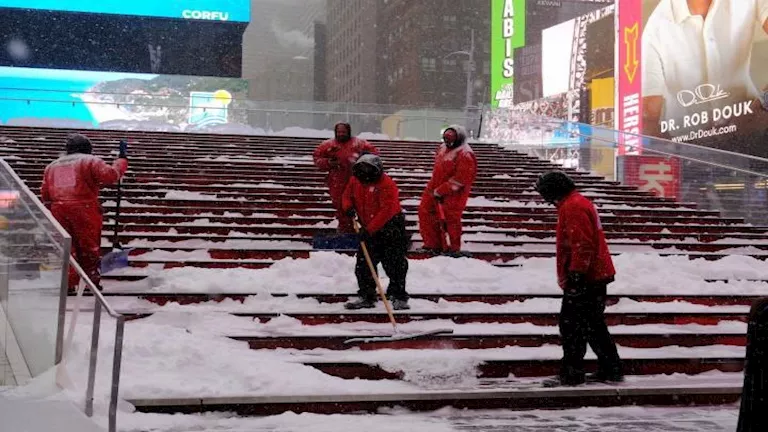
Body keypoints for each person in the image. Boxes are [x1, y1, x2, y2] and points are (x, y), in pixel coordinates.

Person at [535, 171, 623, 387]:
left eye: (545, 194)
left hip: (586, 276)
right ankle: (611, 369)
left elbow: (583, 244)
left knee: (572, 326)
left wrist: (576, 275)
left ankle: (572, 373)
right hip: (594, 274)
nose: (546, 200)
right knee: (593, 325)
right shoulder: (577, 202)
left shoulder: (573, 206)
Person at [41, 134, 128, 292]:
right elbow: (111, 176)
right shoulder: (90, 161)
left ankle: (69, 282)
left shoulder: (52, 166)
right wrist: (121, 161)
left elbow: (45, 194)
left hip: (58, 210)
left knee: (67, 248)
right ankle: (90, 282)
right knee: (89, 247)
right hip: (84, 209)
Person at [341, 154, 410, 311]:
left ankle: (398, 295)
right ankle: (367, 295)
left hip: (390, 227)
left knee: (394, 262)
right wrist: (348, 207)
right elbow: (346, 196)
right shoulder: (355, 180)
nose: (364, 175)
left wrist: (369, 230)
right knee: (364, 263)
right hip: (368, 225)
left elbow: (386, 211)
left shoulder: (387, 184)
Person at [418, 125, 477, 255]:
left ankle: (453, 247)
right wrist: (433, 189)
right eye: (446, 139)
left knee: (451, 219)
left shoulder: (465, 154)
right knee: (426, 213)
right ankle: (432, 244)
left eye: (450, 140)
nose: (448, 143)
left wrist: (442, 190)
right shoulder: (443, 148)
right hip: (435, 187)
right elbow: (437, 171)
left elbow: (461, 179)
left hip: (454, 194)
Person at [313, 123, 379, 233]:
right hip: (337, 181)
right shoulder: (327, 145)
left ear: (348, 132)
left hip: (357, 180)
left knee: (359, 206)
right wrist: (328, 162)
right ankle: (345, 230)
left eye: (343, 132)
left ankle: (362, 231)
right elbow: (317, 158)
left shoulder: (359, 143)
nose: (341, 134)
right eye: (339, 132)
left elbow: (374, 154)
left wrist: (363, 162)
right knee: (341, 207)